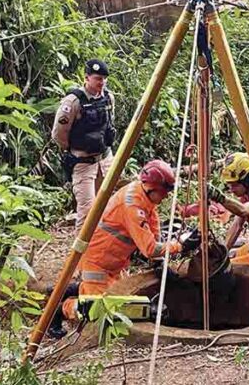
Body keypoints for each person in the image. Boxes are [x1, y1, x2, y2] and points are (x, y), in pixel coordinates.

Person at [48, 159, 200, 338]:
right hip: (97, 262)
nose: (166, 197)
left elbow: (154, 231)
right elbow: (150, 248)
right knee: (99, 309)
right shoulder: (132, 205)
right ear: (151, 188)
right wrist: (180, 246)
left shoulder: (146, 200)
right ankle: (60, 310)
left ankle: (70, 290)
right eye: (164, 192)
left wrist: (160, 263)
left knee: (119, 296)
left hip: (115, 263)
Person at [51, 59, 116, 229]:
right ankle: (82, 254)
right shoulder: (73, 102)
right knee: (87, 212)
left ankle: (103, 248)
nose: (101, 82)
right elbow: (59, 134)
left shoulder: (108, 98)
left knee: (108, 206)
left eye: (104, 78)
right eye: (97, 78)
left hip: (105, 159)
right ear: (86, 78)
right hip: (83, 162)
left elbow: (109, 125)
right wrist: (73, 149)